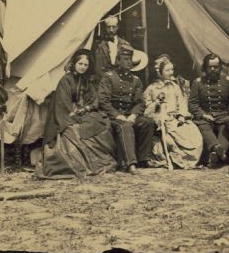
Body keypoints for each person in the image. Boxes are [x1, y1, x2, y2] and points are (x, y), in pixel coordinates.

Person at [37, 49, 117, 179]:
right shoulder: (66, 80)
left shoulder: (86, 80)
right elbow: (62, 104)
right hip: (65, 116)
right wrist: (75, 115)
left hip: (82, 113)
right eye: (80, 64)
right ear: (74, 63)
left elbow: (93, 100)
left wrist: (87, 108)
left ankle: (99, 163)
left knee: (103, 123)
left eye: (85, 65)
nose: (82, 67)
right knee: (74, 131)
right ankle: (83, 165)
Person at [98, 45, 155, 174]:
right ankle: (130, 163)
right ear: (118, 61)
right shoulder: (109, 77)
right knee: (125, 126)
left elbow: (140, 102)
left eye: (130, 59)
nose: (128, 62)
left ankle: (144, 159)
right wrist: (116, 115)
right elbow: (103, 101)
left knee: (148, 122)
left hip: (129, 115)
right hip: (112, 116)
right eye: (125, 59)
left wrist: (134, 115)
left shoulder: (136, 80)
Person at [188, 53, 229, 167]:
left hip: (223, 116)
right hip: (205, 117)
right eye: (209, 67)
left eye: (215, 67)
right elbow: (192, 104)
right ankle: (216, 148)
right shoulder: (197, 83)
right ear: (205, 67)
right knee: (203, 126)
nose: (212, 69)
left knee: (226, 126)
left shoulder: (228, 81)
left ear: (220, 67)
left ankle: (216, 155)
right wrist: (202, 115)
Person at [143, 55, 203, 169]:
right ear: (160, 72)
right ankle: (176, 160)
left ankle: (188, 161)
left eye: (172, 69)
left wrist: (181, 115)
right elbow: (146, 110)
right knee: (170, 138)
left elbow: (182, 103)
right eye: (167, 70)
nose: (171, 72)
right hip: (161, 121)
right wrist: (156, 104)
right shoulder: (151, 89)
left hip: (176, 119)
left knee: (193, 133)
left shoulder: (175, 87)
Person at [92, 16, 132, 87]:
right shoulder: (99, 46)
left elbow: (128, 66)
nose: (111, 30)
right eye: (108, 27)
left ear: (118, 27)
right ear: (105, 28)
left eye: (114, 27)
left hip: (121, 82)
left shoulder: (125, 44)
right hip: (104, 83)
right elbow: (98, 69)